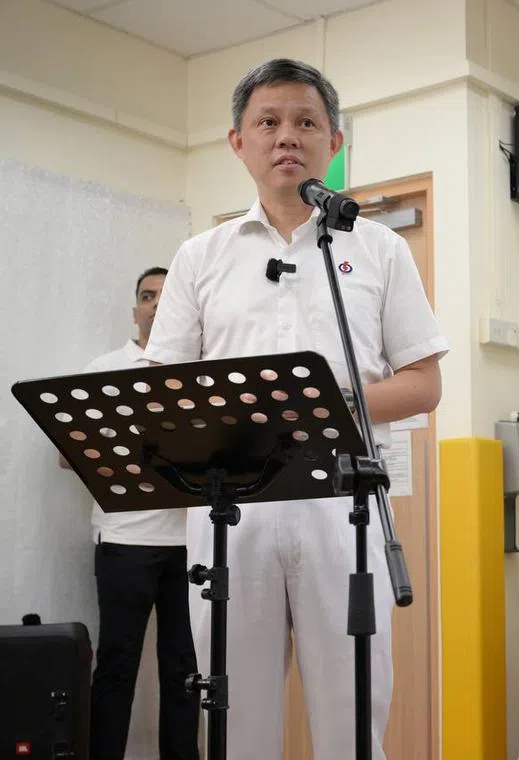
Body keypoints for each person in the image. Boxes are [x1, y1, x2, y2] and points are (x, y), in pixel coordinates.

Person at [142, 58, 448, 759]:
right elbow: (166, 387)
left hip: (343, 500)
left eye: (306, 122)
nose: (288, 136)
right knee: (235, 718)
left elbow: (423, 382)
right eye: (268, 122)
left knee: (350, 712)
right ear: (237, 142)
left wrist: (320, 406)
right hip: (231, 512)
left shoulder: (379, 247)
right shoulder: (200, 255)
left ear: (333, 143)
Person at [64, 267, 199, 760]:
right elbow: (67, 451)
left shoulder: (202, 371)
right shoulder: (105, 367)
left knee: (186, 669)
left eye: (166, 295)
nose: (157, 304)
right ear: (135, 310)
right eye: (147, 296)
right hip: (124, 540)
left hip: (191, 543)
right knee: (117, 665)